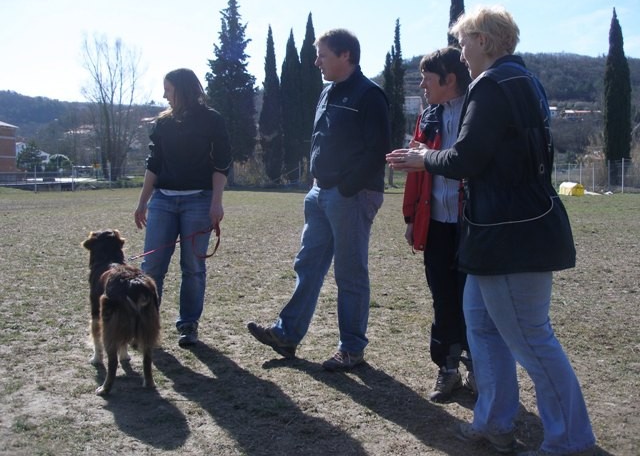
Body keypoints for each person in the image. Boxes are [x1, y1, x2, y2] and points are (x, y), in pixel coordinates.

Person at [387, 6, 596, 456]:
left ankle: (572, 442)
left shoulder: (492, 84)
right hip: (502, 232)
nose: (461, 54)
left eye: (463, 43)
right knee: (481, 326)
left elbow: (466, 159)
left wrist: (421, 159)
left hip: (509, 236)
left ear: (484, 39)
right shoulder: (525, 81)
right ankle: (496, 422)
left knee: (532, 339)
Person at [247, 29, 391, 371]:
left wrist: (346, 187)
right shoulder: (327, 92)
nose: (316, 62)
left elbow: (378, 150)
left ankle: (351, 348)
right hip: (319, 193)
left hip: (351, 196)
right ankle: (287, 334)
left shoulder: (370, 95)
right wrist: (317, 180)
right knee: (308, 264)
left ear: (345, 56)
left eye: (322, 55)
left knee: (350, 273)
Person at [134, 68, 231, 348]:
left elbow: (221, 163)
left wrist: (216, 202)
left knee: (193, 266)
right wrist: (143, 202)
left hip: (198, 201)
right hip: (162, 201)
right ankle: (144, 325)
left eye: (169, 89)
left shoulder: (212, 120)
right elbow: (154, 164)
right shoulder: (162, 124)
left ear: (184, 90)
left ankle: (188, 324)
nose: (164, 94)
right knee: (152, 266)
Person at [402, 47, 474, 402]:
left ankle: (479, 369)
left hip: (472, 225)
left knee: (474, 301)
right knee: (443, 298)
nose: (422, 85)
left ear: (449, 79)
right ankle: (448, 370)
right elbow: (417, 172)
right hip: (436, 223)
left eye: (428, 79)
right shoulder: (428, 116)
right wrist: (412, 217)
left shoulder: (479, 112)